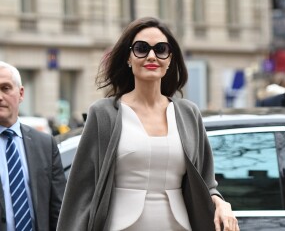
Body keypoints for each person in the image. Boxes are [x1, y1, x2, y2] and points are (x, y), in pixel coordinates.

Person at [57, 17, 239, 231]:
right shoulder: (104, 113)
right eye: (142, 48)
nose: (152, 56)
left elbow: (206, 183)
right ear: (128, 57)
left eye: (161, 49)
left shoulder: (188, 113)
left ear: (170, 59)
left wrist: (221, 202)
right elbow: (81, 190)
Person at [0, 61, 66, 231]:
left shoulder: (45, 144)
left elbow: (58, 208)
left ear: (21, 93)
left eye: (5, 88)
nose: (0, 96)